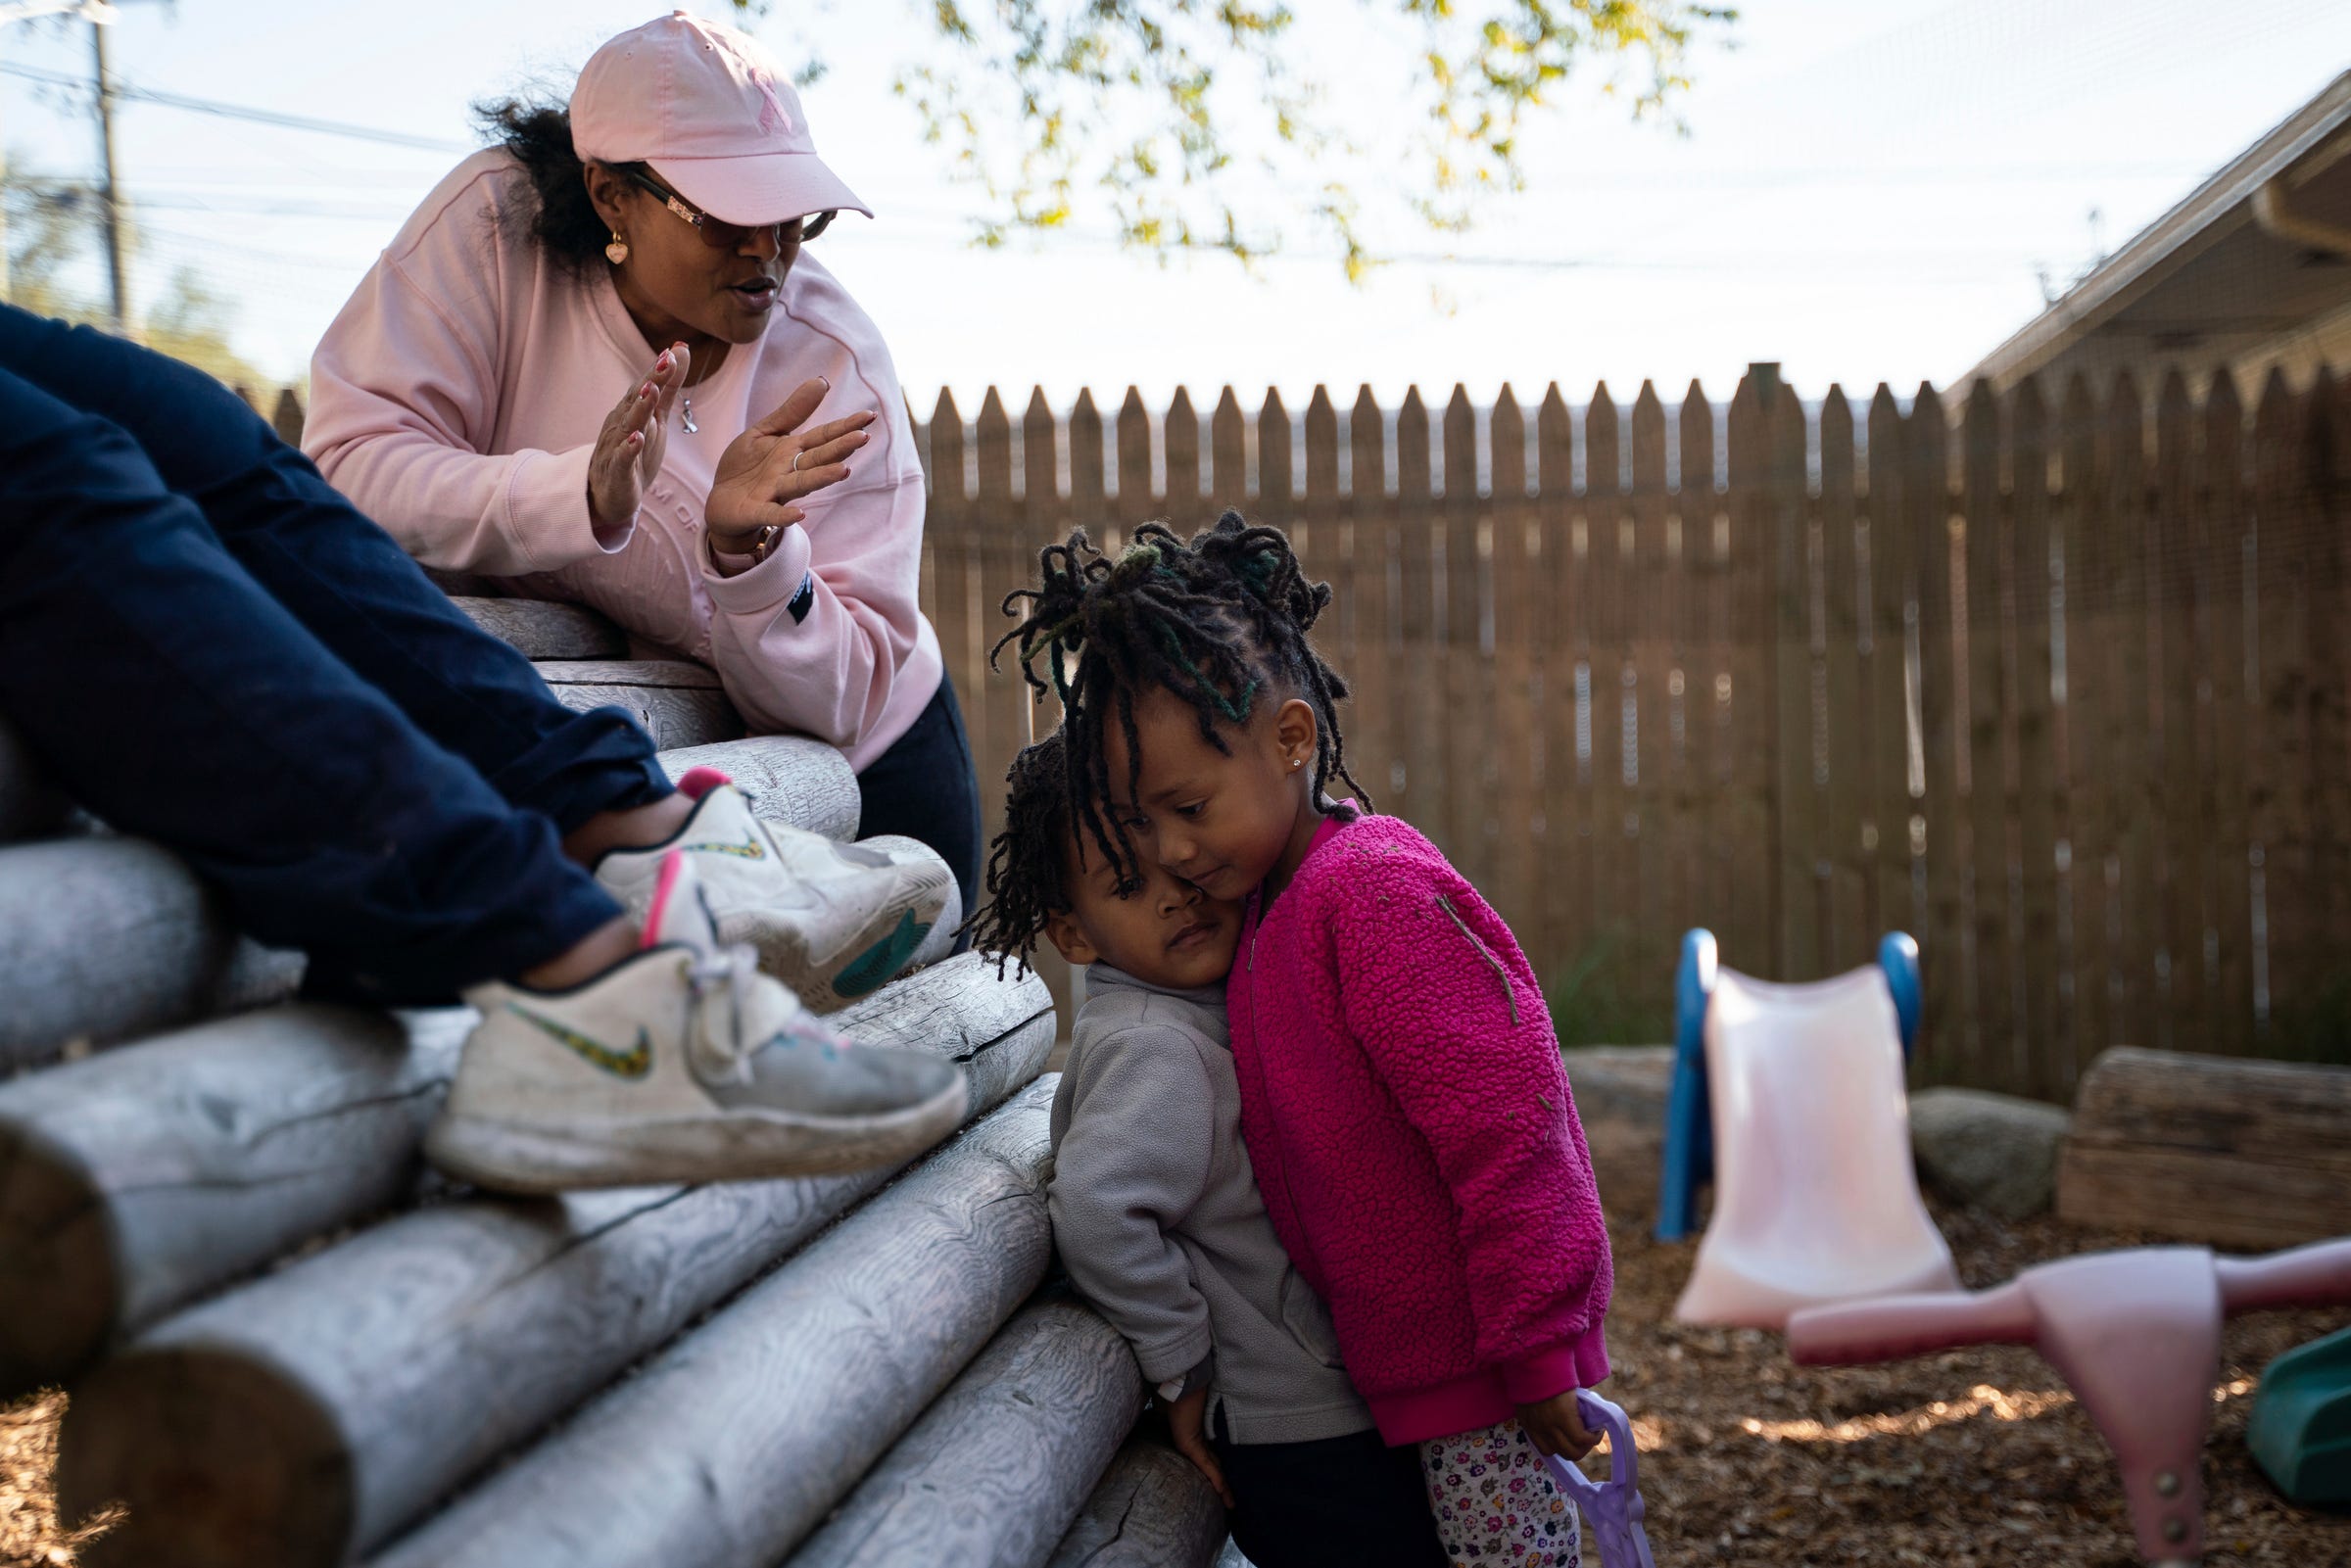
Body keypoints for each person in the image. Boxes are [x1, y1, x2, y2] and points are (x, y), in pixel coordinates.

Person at [0, 304, 965, 1194]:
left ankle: (625, 830)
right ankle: (571, 980)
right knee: (52, 474)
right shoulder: (493, 220)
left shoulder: (818, 327)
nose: (767, 247)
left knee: (194, 429)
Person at [996, 513, 1617, 1568]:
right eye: (1146, 826)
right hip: (1399, 1376)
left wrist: (1546, 1339)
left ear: (1292, 738)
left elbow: (1507, 1108)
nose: (1178, 854)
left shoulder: (1368, 888)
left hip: (1483, 1365)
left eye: (1189, 808)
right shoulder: (1264, 913)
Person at [303, 11, 983, 929]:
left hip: (871, 783)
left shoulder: (833, 363)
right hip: (638, 775)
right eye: (728, 215)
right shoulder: (494, 233)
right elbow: (346, 467)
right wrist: (575, 493)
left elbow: (852, 699)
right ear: (611, 195)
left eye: (794, 214)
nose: (769, 248)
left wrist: (752, 560)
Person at [972, 733, 1447, 1568]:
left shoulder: (1192, 1013)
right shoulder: (1159, 1045)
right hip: (1297, 1422)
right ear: (1073, 936)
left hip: (1311, 1410)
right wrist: (1182, 1365)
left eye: (1184, 871)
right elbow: (1096, 1209)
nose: (1174, 899)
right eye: (1128, 883)